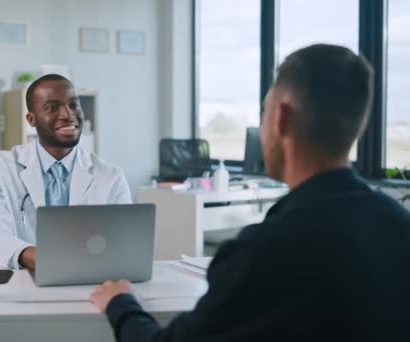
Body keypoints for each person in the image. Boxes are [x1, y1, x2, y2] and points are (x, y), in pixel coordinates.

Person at [90, 44, 410, 341]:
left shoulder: (264, 253)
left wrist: (120, 302)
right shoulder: (399, 225)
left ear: (281, 118)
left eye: (263, 111)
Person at [0, 74, 132, 270]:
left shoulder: (111, 176)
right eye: (52, 108)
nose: (67, 114)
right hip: (22, 284)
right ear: (31, 119)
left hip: (89, 285)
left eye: (73, 105)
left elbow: (125, 243)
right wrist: (37, 257)